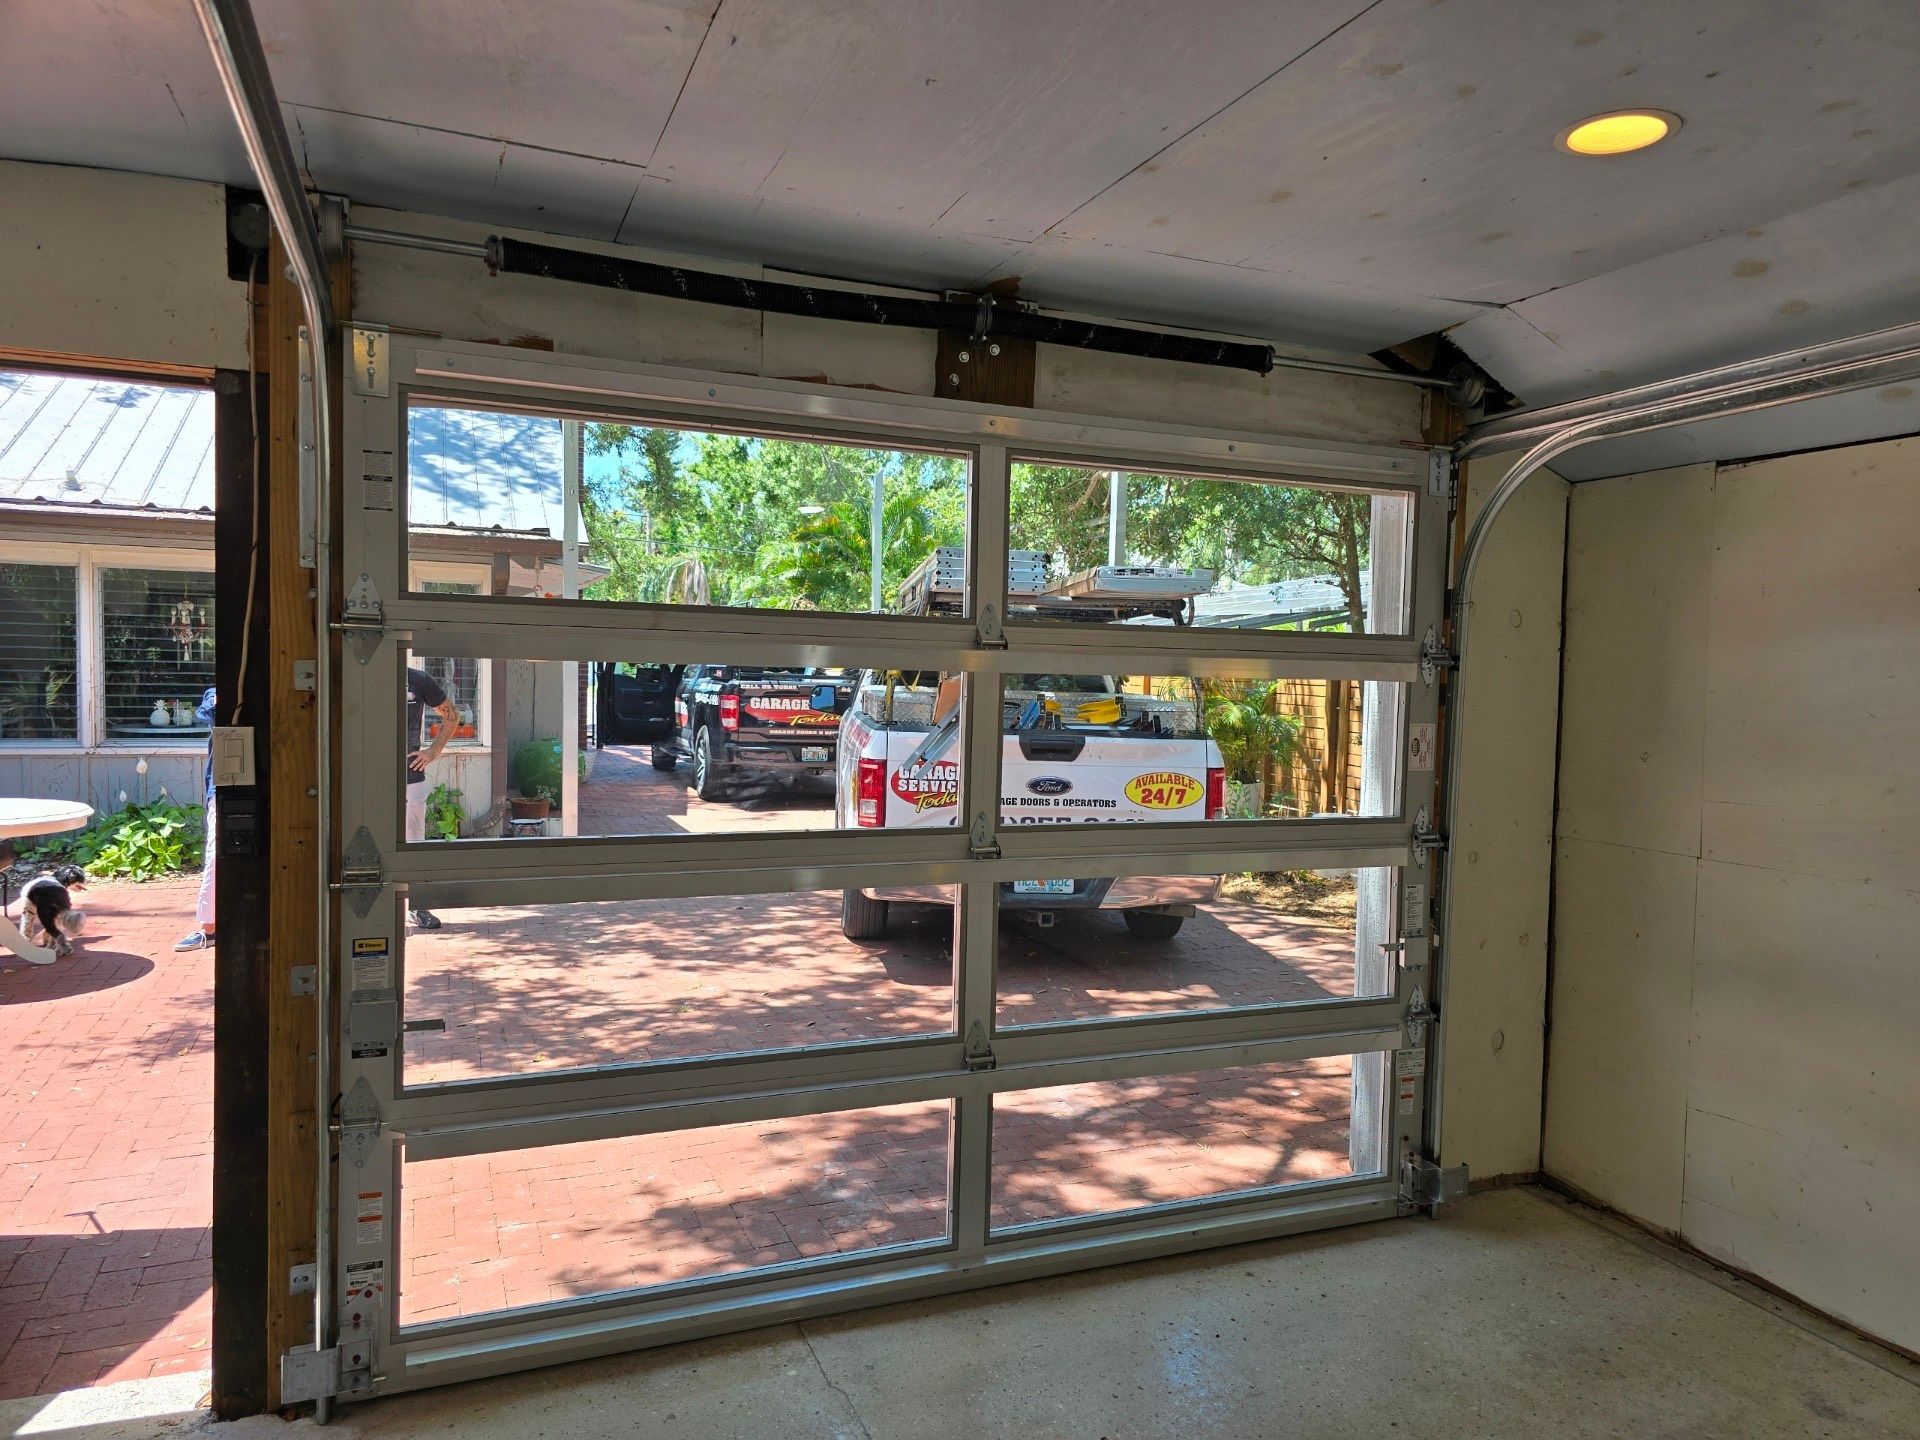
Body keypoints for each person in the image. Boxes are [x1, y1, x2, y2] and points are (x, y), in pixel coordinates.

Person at [406, 663, 459, 929]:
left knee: (413, 839)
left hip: (409, 774)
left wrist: (433, 751)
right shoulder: (364, 675)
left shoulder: (417, 679)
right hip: (369, 775)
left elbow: (452, 716)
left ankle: (417, 905)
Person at [174, 686, 219, 951]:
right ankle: (209, 928)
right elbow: (209, 713)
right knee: (216, 854)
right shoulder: (214, 692)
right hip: (222, 787)